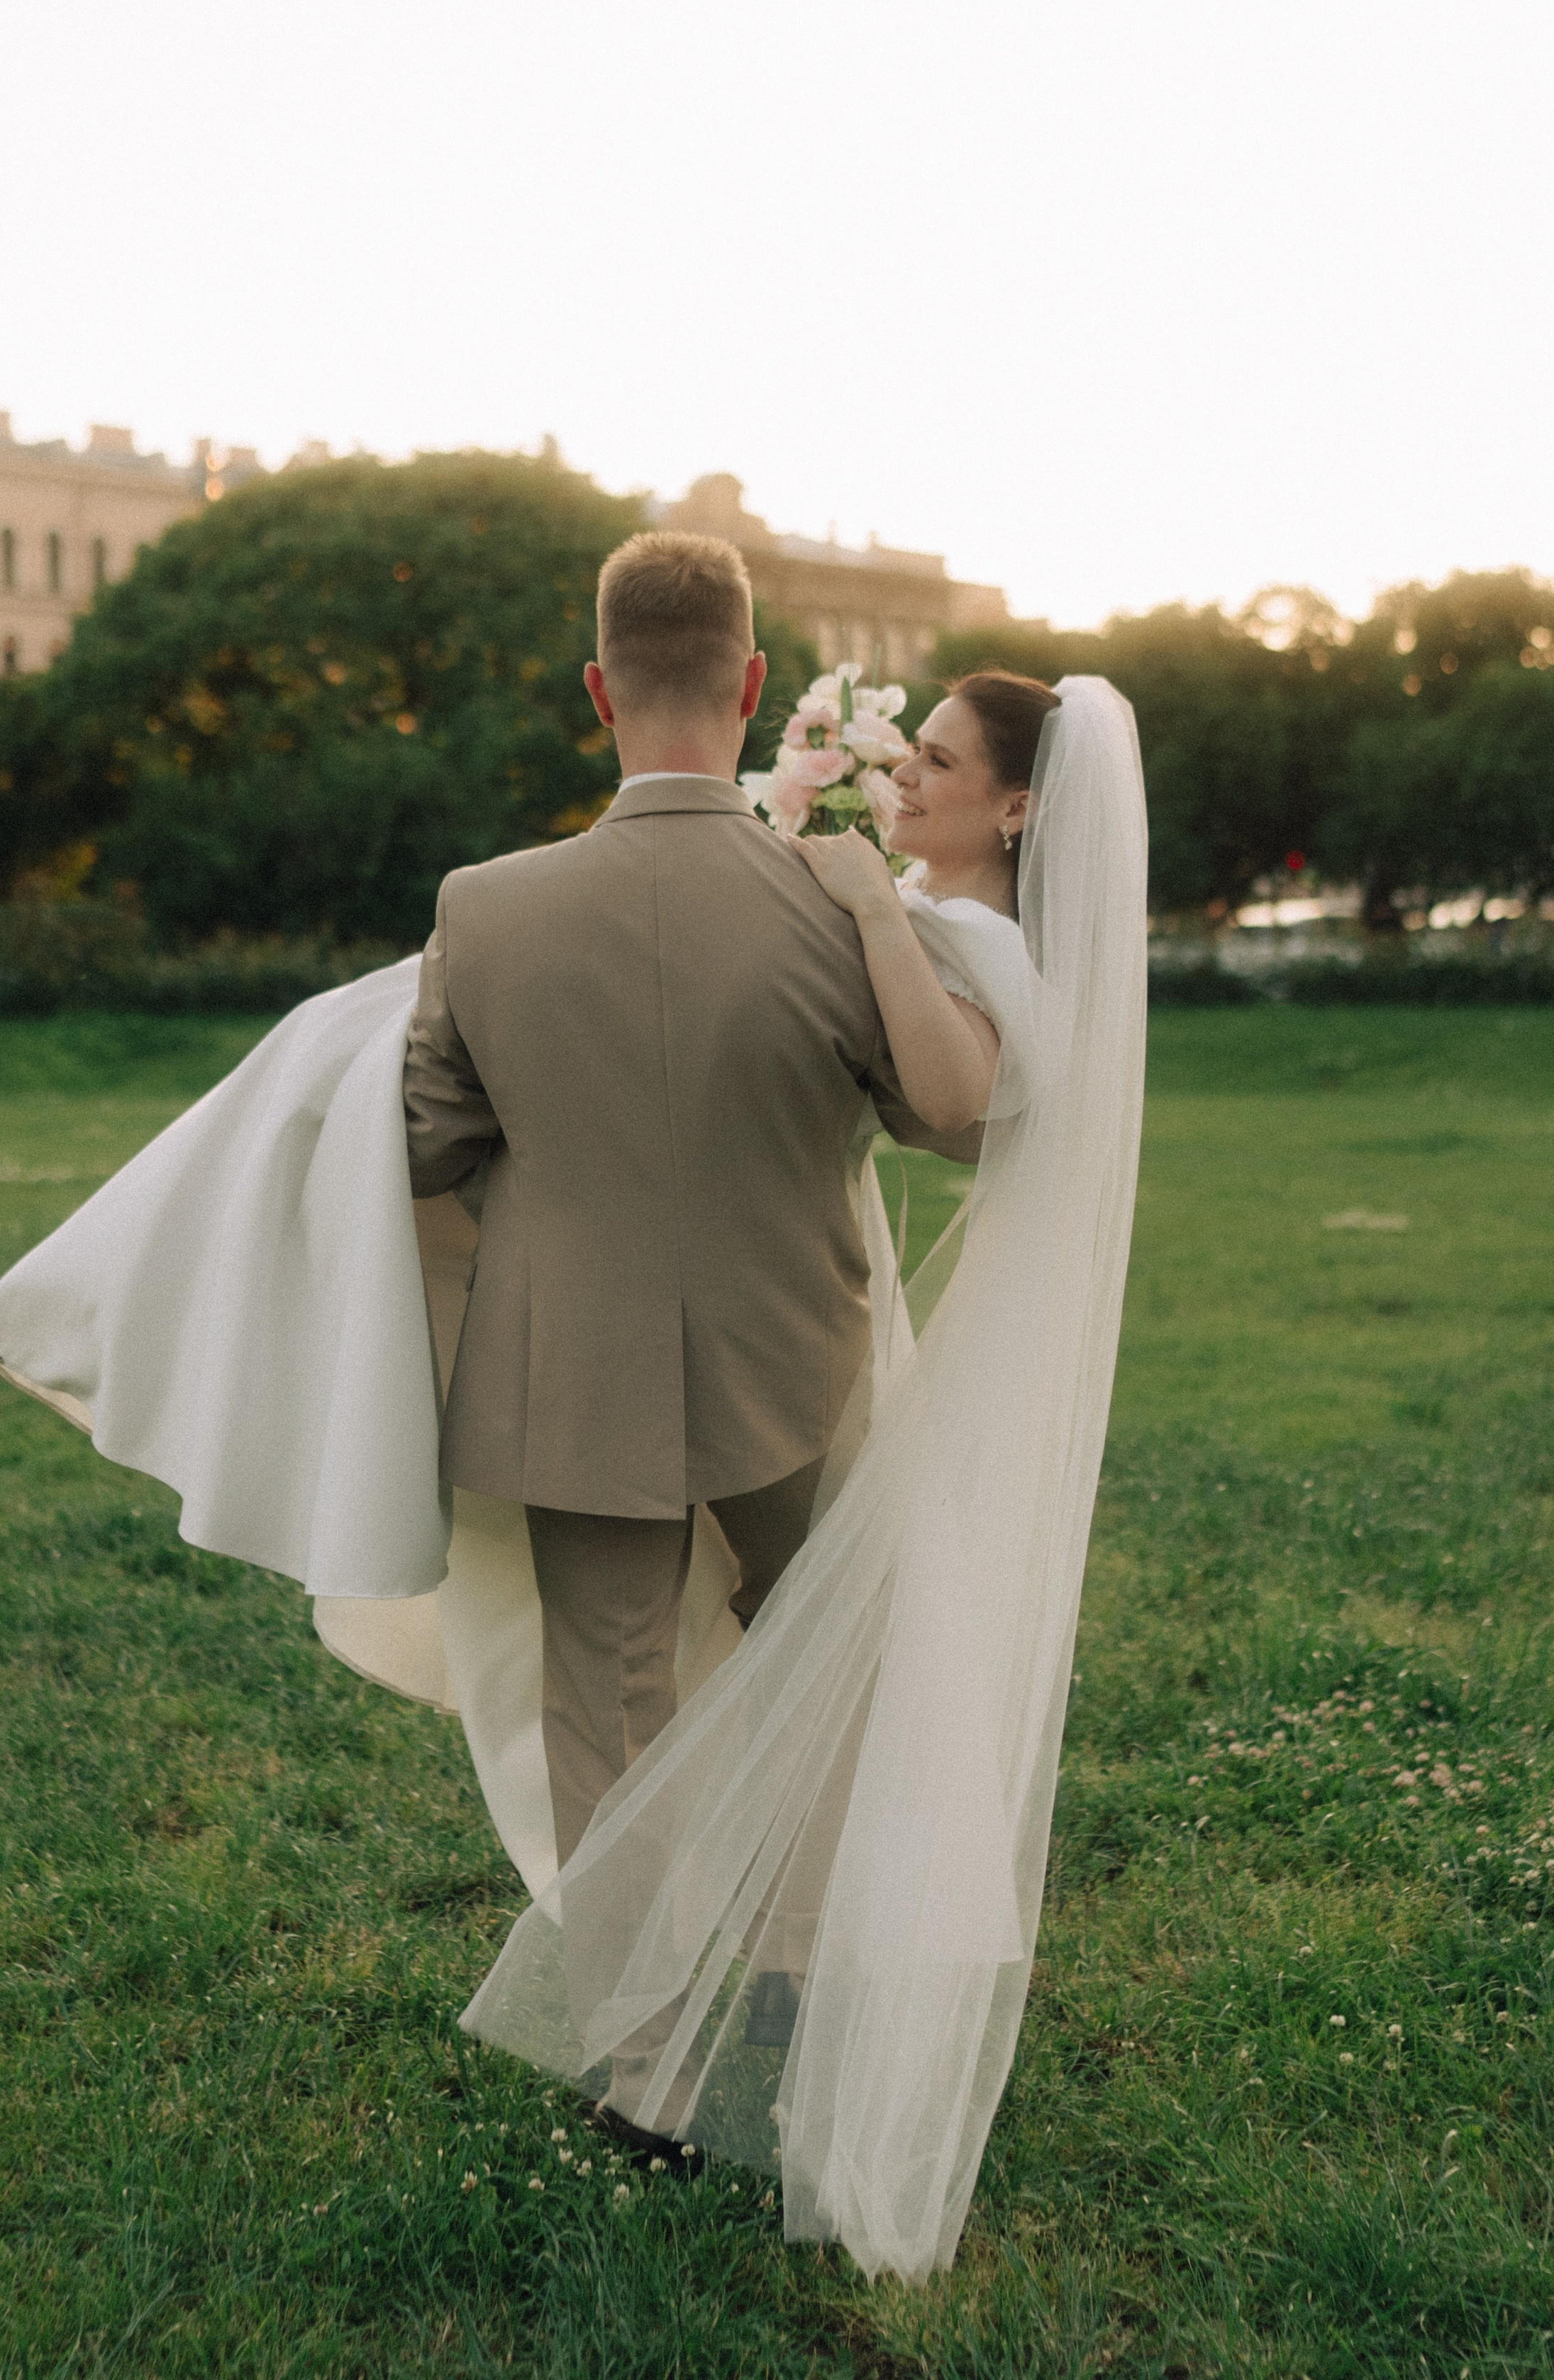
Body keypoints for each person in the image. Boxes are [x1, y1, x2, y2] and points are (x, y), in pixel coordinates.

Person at [461, 660, 1147, 2284]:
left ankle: (743, 1992)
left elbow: (960, 1103)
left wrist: (860, 900)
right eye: (898, 758)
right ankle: (763, 1958)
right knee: (791, 1637)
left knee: (789, 1651)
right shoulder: (913, 895)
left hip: (784, 1332)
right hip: (791, 1326)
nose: (898, 783)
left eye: (935, 766)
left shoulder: (963, 937)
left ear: (1018, 806)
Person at [398, 531, 980, 1876]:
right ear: (753, 685)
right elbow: (935, 1113)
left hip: (568, 1363)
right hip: (799, 1354)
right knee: (823, 1663)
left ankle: (640, 2058)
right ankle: (792, 1981)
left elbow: (426, 1147)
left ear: (598, 691)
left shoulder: (481, 910)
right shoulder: (842, 908)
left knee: (604, 1696)